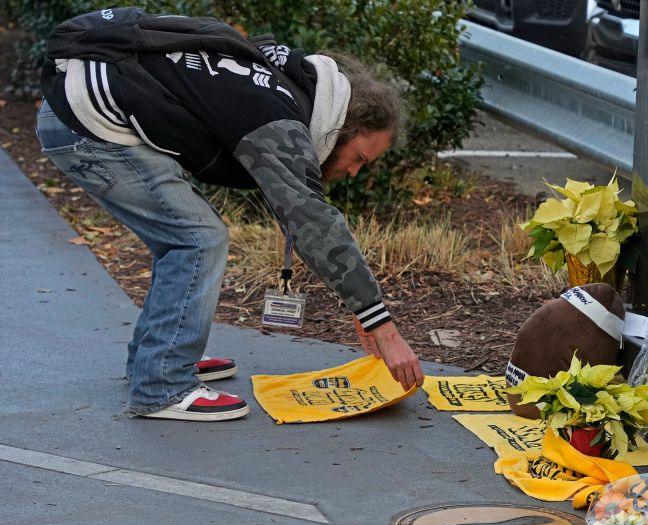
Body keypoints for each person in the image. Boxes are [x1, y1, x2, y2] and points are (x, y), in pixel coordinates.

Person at [36, 8, 424, 421]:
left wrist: (361, 312)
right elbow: (311, 219)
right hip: (88, 125)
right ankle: (162, 384)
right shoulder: (280, 120)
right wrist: (381, 324)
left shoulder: (288, 85)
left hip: (82, 108)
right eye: (359, 158)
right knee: (198, 240)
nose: (352, 171)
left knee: (185, 237)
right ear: (342, 127)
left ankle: (162, 359)